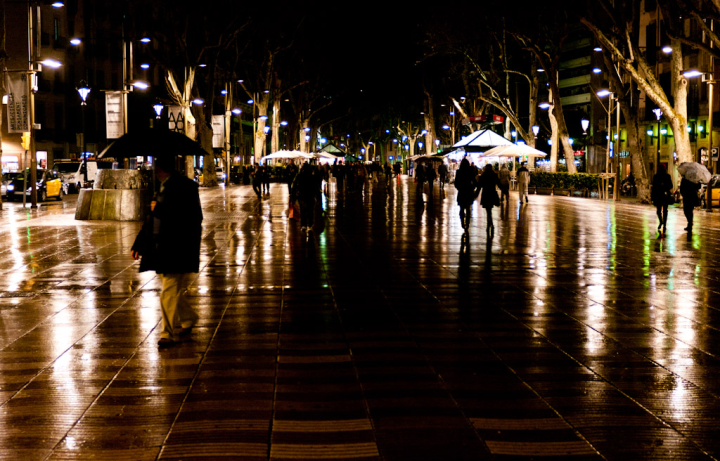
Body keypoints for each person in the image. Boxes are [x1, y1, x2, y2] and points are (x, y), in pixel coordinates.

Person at [131, 155, 203, 348]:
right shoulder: (162, 188)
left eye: (157, 169)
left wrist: (161, 209)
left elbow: (192, 217)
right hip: (161, 246)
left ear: (164, 170)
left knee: (169, 289)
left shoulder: (185, 187)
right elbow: (152, 219)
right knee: (172, 289)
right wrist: (139, 244)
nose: (155, 173)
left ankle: (167, 333)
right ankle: (188, 318)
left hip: (176, 246)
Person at [292, 163, 320, 232]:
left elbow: (294, 187)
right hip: (310, 196)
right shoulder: (312, 177)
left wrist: (293, 198)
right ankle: (310, 224)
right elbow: (316, 188)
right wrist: (318, 198)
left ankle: (303, 225)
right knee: (310, 211)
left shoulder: (299, 176)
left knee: (303, 211)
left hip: (302, 196)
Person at [454, 158, 478, 230]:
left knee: (461, 208)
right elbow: (474, 181)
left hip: (461, 191)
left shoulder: (459, 171)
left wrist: (459, 188)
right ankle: (467, 223)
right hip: (469, 191)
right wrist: (473, 187)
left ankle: (462, 222)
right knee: (468, 208)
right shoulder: (471, 171)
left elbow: (456, 183)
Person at [477, 164, 501, 234]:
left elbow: (479, 186)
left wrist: (475, 195)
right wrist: (505, 191)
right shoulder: (494, 175)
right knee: (489, 209)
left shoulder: (483, 176)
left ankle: (489, 223)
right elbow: (499, 184)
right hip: (492, 193)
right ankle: (490, 223)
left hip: (485, 194)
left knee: (488, 210)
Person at [651, 164, 673, 235]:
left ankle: (663, 223)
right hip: (660, 195)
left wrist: (664, 186)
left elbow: (670, 185)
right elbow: (654, 186)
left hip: (662, 195)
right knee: (661, 211)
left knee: (662, 211)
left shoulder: (665, 176)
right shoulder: (657, 176)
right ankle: (662, 222)